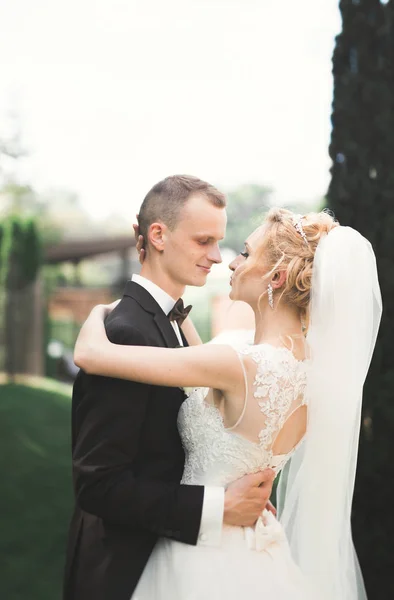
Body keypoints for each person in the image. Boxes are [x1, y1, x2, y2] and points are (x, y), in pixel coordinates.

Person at [74, 206, 382, 600]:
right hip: (255, 550)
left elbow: (91, 355)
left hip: (199, 554)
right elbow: (198, 356)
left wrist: (101, 311)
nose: (232, 262)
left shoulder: (236, 363)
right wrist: (158, 266)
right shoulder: (308, 368)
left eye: (246, 253)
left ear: (278, 275)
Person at [63, 175, 276, 600]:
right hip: (124, 570)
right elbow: (98, 484)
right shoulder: (127, 332)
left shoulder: (170, 322)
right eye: (203, 241)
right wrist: (219, 507)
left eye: (218, 241)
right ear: (158, 235)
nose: (217, 256)